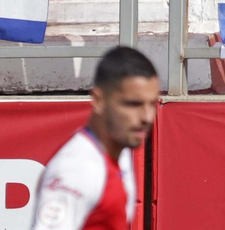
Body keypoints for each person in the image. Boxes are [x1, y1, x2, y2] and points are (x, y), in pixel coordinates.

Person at [29, 46, 159, 230]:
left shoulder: (119, 149)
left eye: (152, 104)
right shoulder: (75, 170)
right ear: (99, 100)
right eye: (133, 104)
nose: (146, 117)